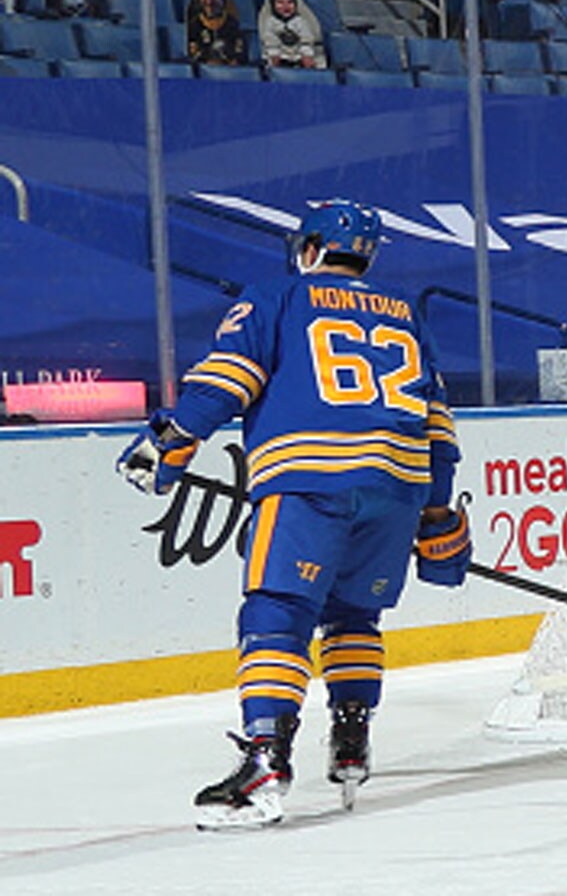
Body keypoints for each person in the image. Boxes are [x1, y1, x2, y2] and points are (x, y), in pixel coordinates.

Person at [114, 200, 465, 829]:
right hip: (398, 484)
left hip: (309, 480)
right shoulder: (405, 310)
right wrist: (436, 508)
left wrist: (171, 442)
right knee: (355, 614)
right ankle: (351, 741)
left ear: (309, 248)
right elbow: (437, 420)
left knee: (277, 612)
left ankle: (265, 761)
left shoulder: (276, 296)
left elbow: (229, 378)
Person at [258, 0, 327, 69]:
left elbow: (307, 38)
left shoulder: (301, 21)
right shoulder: (269, 22)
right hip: (279, 56)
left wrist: (306, 55)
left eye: (290, 2)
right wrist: (274, 55)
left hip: (300, 56)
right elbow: (269, 40)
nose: (285, 6)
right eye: (280, 2)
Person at [185, 0, 246, 67]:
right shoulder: (194, 26)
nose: (209, 1)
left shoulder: (232, 25)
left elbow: (240, 54)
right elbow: (193, 54)